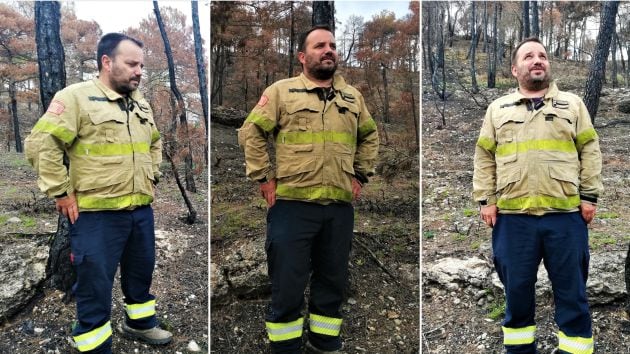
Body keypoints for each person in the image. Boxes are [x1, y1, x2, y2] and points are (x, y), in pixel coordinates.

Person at [25, 33, 172, 353]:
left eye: (141, 65)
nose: (139, 71)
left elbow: (155, 142)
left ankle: (139, 323)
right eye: (132, 63)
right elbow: (41, 144)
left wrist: (153, 174)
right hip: (96, 214)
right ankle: (95, 343)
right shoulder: (77, 98)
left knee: (140, 272)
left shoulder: (140, 102)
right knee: (94, 282)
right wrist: (61, 193)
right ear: (107, 62)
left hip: (140, 210)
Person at [238, 25, 379, 353]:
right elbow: (252, 133)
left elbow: (369, 136)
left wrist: (360, 174)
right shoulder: (281, 93)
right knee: (288, 280)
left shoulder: (352, 97)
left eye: (332, 45)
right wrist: (264, 178)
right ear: (303, 57)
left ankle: (323, 339)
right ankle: (285, 345)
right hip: (292, 205)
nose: (328, 50)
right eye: (319, 46)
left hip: (339, 207)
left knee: (332, 278)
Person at [473, 37, 603, 354]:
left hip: (566, 217)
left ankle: (575, 350)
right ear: (515, 68)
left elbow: (590, 149)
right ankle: (519, 349)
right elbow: (484, 156)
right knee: (516, 291)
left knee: (571, 291)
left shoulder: (572, 105)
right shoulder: (497, 109)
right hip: (513, 220)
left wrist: (589, 196)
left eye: (542, 55)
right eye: (529, 56)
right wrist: (486, 200)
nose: (537, 60)